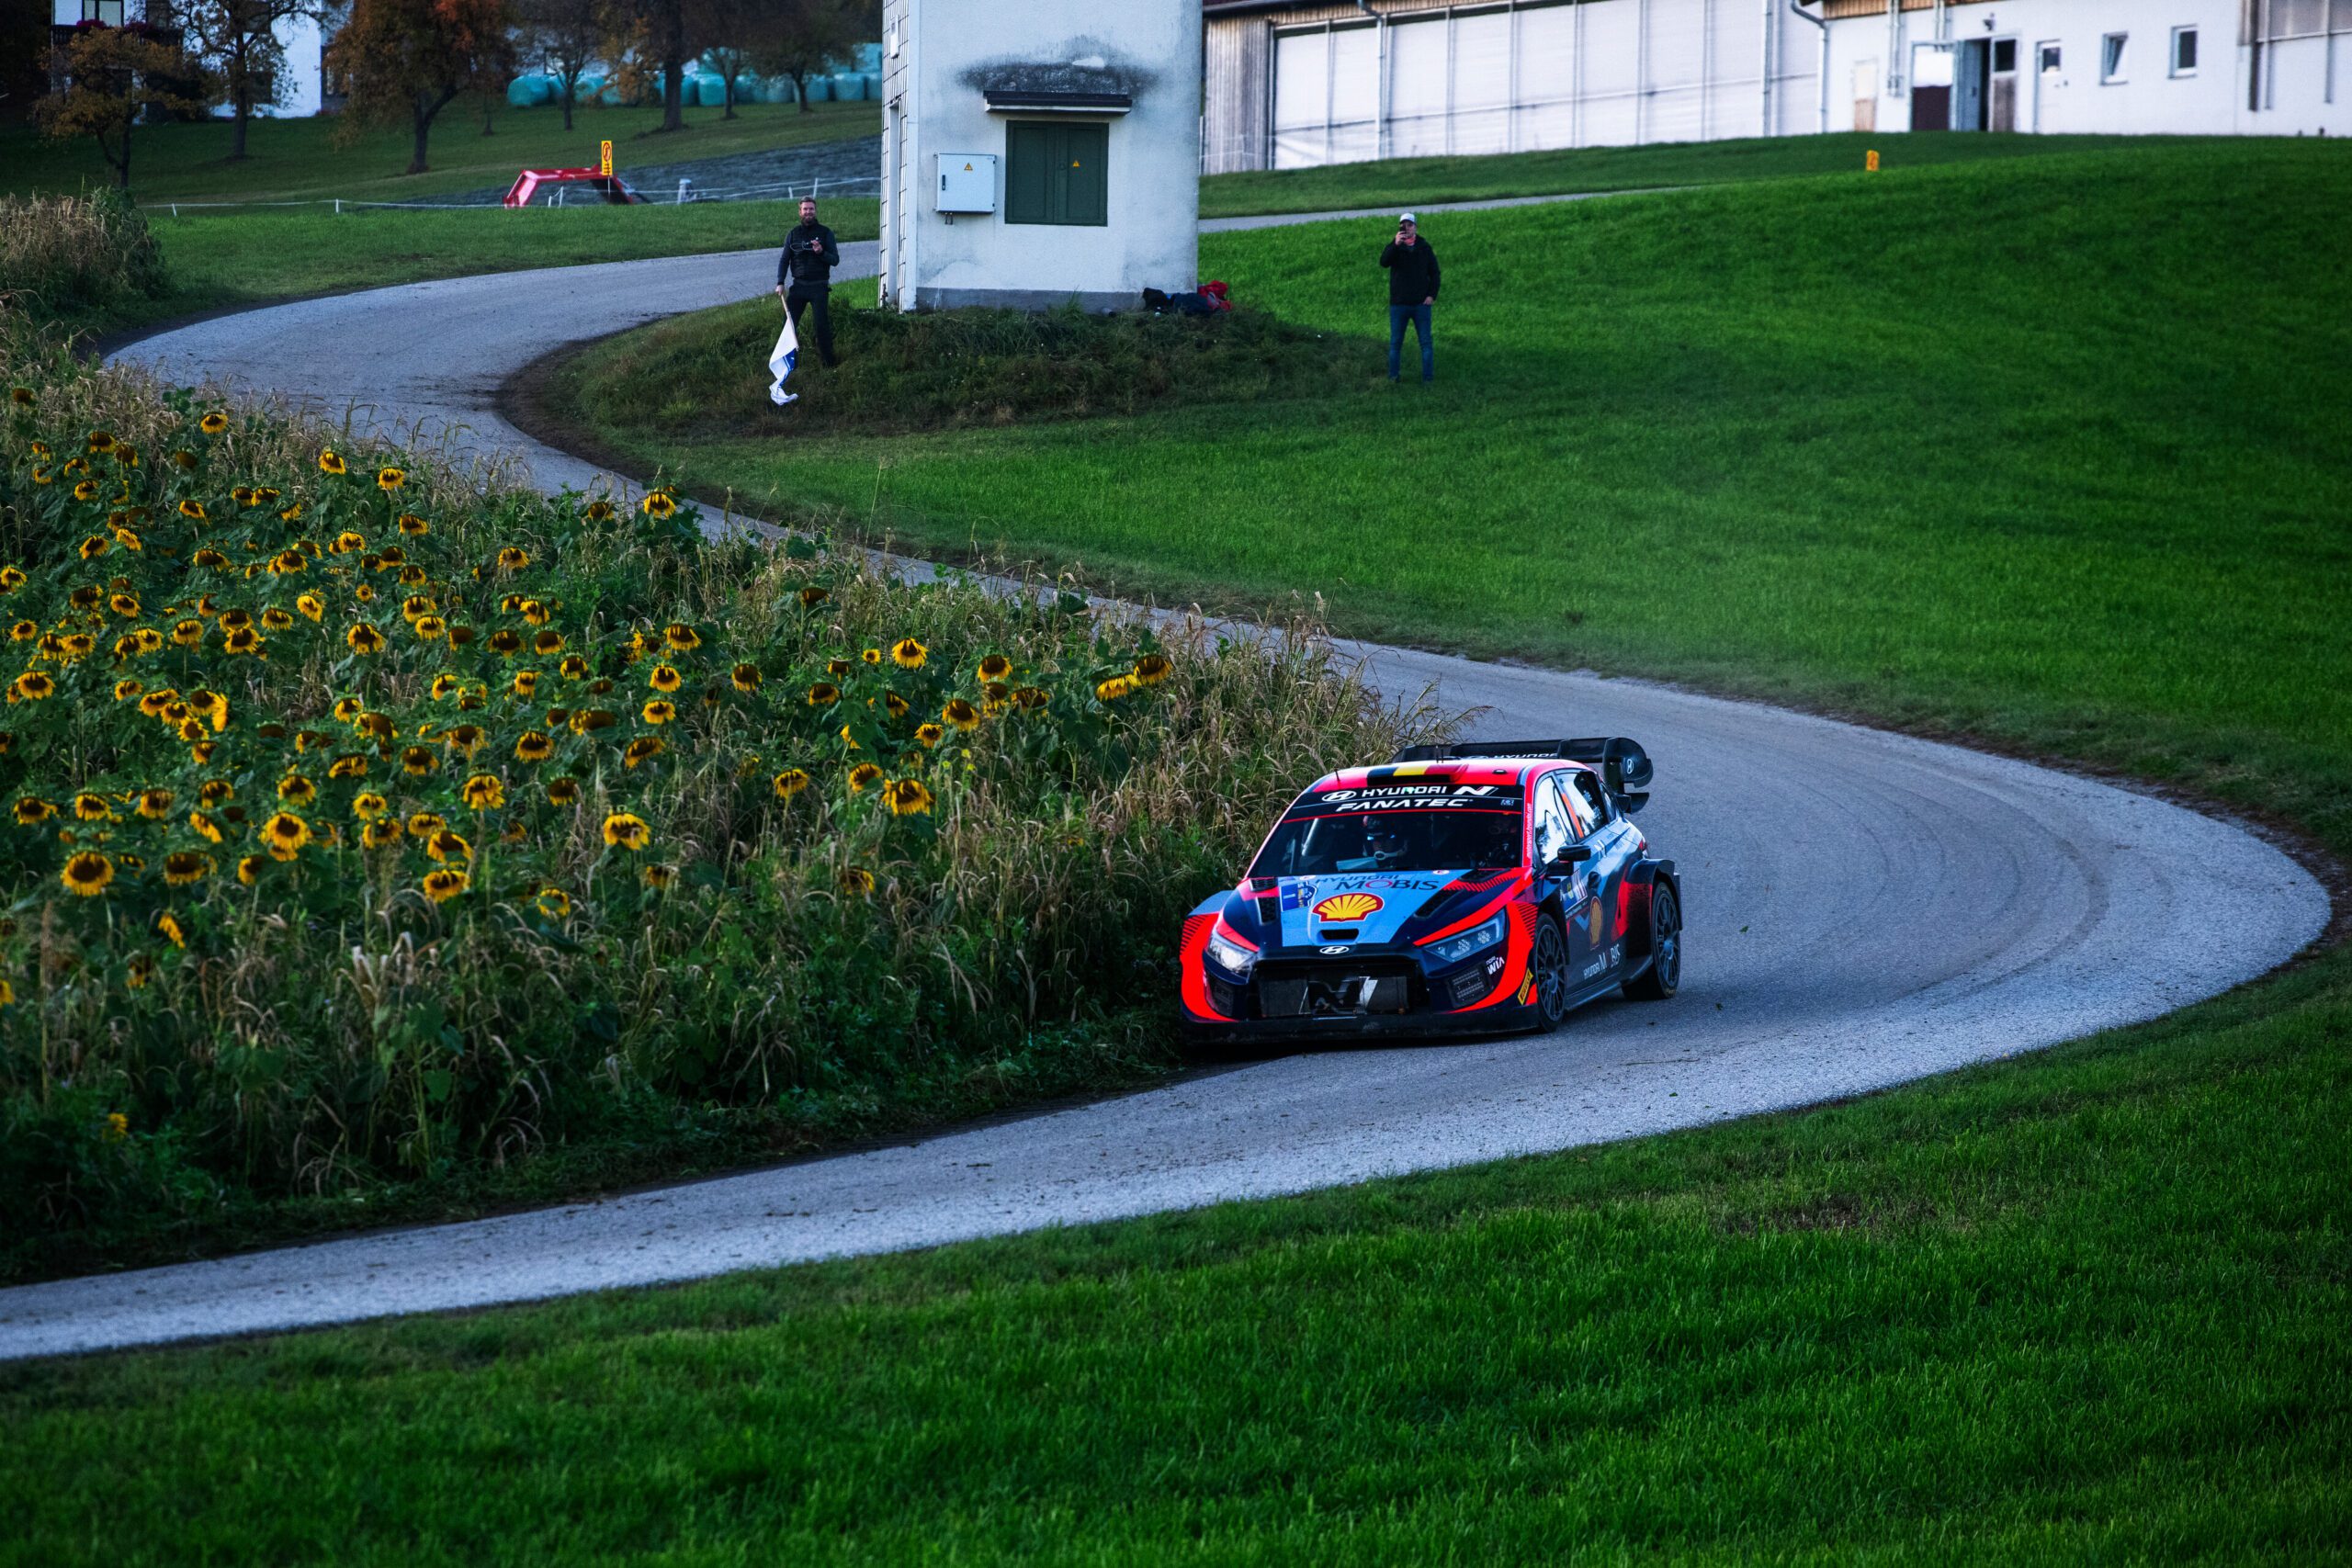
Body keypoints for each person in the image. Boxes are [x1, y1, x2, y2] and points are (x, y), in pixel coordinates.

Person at [774, 197, 842, 368]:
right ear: (800, 212)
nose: (808, 212)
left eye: (811, 209)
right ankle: (789, 364)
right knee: (788, 325)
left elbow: (835, 260)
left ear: (815, 211)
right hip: (799, 287)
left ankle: (829, 364)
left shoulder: (826, 233)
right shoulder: (793, 234)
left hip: (819, 286)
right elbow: (784, 260)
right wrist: (780, 282)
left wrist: (821, 252)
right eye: (805, 209)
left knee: (821, 325)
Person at [1378, 212, 1440, 383]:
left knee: (1426, 344)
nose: (1407, 228)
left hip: (1421, 304)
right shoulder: (1395, 247)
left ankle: (1428, 379)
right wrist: (1394, 244)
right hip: (1399, 304)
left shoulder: (1424, 248)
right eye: (1404, 225)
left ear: (1415, 227)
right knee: (1395, 344)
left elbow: (1435, 273)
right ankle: (1393, 377)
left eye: (1410, 225)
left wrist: (1431, 295)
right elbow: (1383, 262)